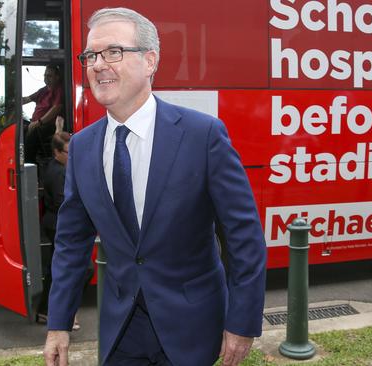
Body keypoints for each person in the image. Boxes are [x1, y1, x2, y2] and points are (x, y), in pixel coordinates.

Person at [43, 7, 267, 366]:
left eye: (113, 52)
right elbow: (71, 242)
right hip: (120, 330)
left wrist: (242, 323)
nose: (98, 64)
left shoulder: (203, 135)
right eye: (91, 55)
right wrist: (58, 324)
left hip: (192, 328)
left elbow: (244, 238)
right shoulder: (82, 147)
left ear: (150, 61)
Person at [37, 131, 80, 330]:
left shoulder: (54, 166)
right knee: (76, 270)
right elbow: (63, 202)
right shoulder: (59, 172)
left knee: (57, 270)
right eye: (68, 153)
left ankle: (48, 310)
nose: (72, 157)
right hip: (59, 226)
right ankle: (58, 312)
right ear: (56, 152)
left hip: (52, 223)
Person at [22, 64, 63, 164]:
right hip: (35, 122)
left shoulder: (59, 90)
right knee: (18, 129)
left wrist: (38, 122)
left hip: (47, 125)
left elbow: (56, 108)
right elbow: (27, 99)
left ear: (57, 77)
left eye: (49, 76)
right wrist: (11, 101)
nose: (46, 79)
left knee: (31, 134)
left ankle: (28, 164)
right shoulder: (44, 90)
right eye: (45, 76)